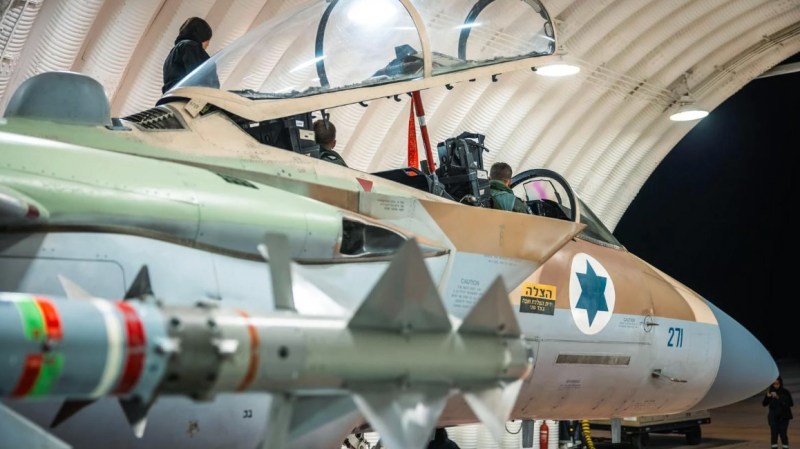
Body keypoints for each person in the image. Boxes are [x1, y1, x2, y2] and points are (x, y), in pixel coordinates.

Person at [162, 17, 218, 94]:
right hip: (188, 96)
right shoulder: (191, 46)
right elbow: (200, 76)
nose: (208, 45)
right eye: (208, 40)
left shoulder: (174, 53)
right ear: (202, 35)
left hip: (173, 96)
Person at [763, 376, 794, 449]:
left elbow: (790, 404)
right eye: (774, 384)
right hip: (773, 417)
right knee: (774, 434)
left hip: (784, 417)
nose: (776, 385)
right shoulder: (770, 392)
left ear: (780, 383)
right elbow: (764, 404)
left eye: (777, 383)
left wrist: (778, 397)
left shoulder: (785, 392)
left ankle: (785, 447)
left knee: (783, 434)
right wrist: (768, 397)